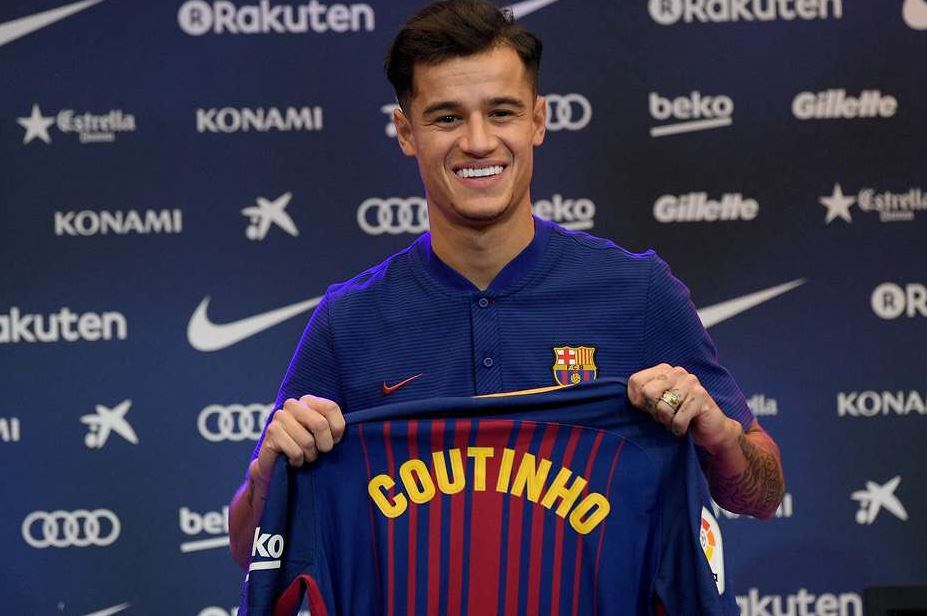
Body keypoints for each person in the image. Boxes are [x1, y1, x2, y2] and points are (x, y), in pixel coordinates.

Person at [229, 0, 784, 569]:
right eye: (447, 118)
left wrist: (720, 437)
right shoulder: (349, 321)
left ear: (538, 120)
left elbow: (762, 496)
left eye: (501, 112)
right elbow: (250, 552)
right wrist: (267, 477)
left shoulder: (637, 291)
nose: (478, 142)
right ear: (405, 132)